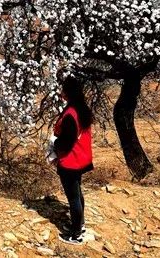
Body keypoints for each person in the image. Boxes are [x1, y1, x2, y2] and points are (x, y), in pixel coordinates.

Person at [52, 75, 94, 245]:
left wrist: (54, 145)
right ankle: (80, 225)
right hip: (81, 158)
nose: (60, 92)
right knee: (77, 193)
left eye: (63, 89)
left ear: (67, 92)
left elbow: (67, 141)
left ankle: (76, 234)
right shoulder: (82, 109)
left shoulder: (70, 114)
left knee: (73, 198)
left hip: (70, 161)